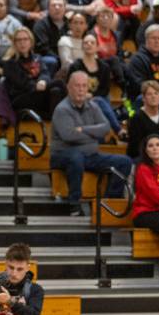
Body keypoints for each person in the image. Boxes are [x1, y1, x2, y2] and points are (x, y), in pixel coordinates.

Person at [50, 71, 133, 216]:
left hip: (90, 155)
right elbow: (68, 135)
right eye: (77, 86)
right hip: (62, 155)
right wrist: (93, 134)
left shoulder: (93, 106)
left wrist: (83, 130)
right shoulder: (62, 109)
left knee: (124, 162)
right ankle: (74, 204)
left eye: (84, 86)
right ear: (69, 88)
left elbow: (106, 128)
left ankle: (109, 201)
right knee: (76, 157)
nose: (81, 89)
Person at [4, 27, 66, 120]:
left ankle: (54, 123)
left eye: (25, 39)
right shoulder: (10, 62)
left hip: (38, 94)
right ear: (14, 43)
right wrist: (36, 86)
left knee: (56, 91)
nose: (22, 43)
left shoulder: (37, 58)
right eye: (18, 40)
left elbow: (45, 73)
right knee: (59, 83)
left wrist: (43, 81)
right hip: (22, 98)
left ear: (31, 41)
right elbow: (22, 83)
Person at [69, 33, 121, 134]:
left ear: (97, 47)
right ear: (82, 47)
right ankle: (118, 130)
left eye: (92, 43)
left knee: (100, 100)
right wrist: (83, 95)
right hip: (79, 99)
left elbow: (105, 90)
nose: (89, 44)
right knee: (100, 101)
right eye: (86, 43)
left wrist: (92, 95)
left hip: (98, 99)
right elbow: (70, 87)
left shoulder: (104, 67)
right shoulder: (75, 66)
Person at [127, 80, 159, 159]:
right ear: (143, 98)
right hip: (143, 158)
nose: (153, 96)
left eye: (156, 93)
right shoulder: (136, 118)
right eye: (149, 94)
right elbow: (134, 148)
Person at [32, 0, 68, 75]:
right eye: (53, 5)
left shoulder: (70, 24)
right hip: (48, 58)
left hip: (67, 58)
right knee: (51, 61)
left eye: (60, 5)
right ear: (48, 8)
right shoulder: (40, 25)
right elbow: (44, 49)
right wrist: (61, 60)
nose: (57, 8)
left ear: (65, 8)